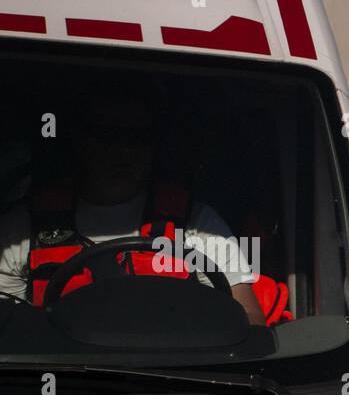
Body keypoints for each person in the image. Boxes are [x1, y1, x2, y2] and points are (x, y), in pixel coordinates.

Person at [0, 93, 265, 324]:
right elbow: (7, 330)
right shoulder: (23, 226)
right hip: (65, 375)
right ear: (79, 140)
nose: (121, 151)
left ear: (154, 145)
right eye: (106, 136)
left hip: (172, 375)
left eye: (137, 137)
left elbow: (248, 319)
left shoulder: (198, 223)